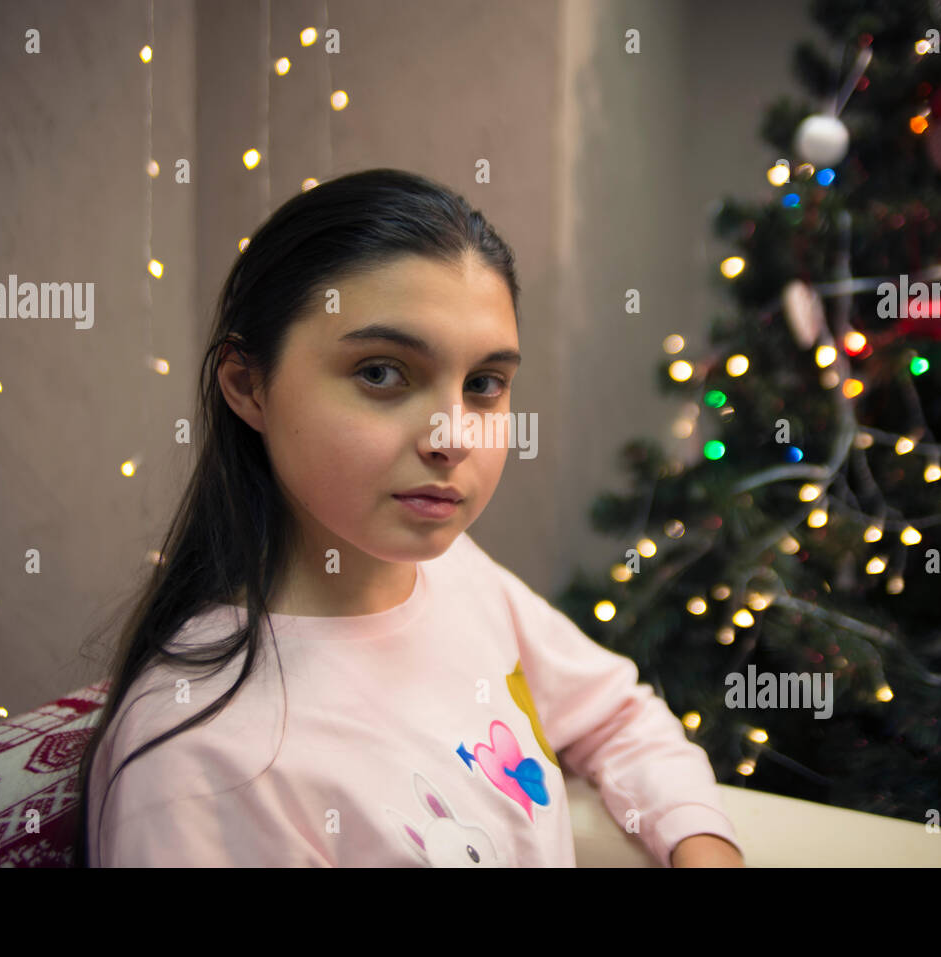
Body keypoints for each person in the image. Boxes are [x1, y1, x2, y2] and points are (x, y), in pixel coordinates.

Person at [73, 168, 744, 868]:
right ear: (248, 385)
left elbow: (618, 717)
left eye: (484, 385)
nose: (452, 436)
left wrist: (703, 847)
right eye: (382, 373)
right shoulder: (200, 761)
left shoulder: (457, 574)